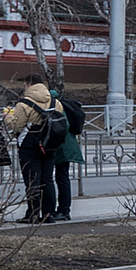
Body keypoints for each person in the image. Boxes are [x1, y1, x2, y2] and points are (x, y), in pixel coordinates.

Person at [6, 79, 65, 224]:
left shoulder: (24, 104)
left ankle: (32, 214)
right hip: (49, 144)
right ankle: (49, 214)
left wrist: (7, 116)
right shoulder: (55, 102)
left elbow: (16, 126)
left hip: (30, 145)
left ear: (29, 85)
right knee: (48, 180)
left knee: (32, 181)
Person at [49, 80, 86, 222]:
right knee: (62, 178)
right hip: (66, 146)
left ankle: (64, 210)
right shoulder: (62, 104)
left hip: (62, 147)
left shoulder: (56, 107)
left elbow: (60, 127)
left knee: (61, 179)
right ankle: (63, 210)